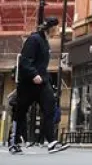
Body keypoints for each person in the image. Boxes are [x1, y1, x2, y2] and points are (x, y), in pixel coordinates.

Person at [11, 17, 66, 155]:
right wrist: (33, 74)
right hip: (28, 83)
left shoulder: (45, 42)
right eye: (57, 28)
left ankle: (51, 141)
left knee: (50, 107)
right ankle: (15, 142)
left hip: (42, 82)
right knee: (21, 111)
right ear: (51, 28)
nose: (58, 31)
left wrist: (42, 77)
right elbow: (25, 61)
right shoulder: (34, 39)